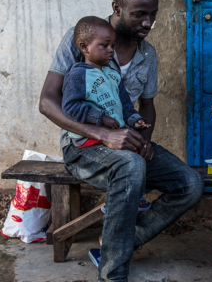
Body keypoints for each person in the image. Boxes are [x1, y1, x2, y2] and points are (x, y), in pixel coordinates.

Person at [39, 0, 204, 282]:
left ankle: (117, 244)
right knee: (129, 165)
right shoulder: (84, 38)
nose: (148, 22)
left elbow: (146, 107)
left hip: (128, 147)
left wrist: (144, 140)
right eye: (139, 14)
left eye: (153, 14)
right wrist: (104, 134)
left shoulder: (148, 55)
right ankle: (113, 274)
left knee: (190, 184)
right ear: (117, 7)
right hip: (83, 147)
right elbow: (48, 103)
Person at [61, 16, 152, 215]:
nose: (111, 50)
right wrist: (100, 118)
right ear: (85, 47)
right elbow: (69, 107)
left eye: (112, 45)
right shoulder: (78, 74)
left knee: (137, 151)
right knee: (128, 161)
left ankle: (128, 198)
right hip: (89, 140)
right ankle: (117, 203)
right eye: (105, 46)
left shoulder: (113, 75)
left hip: (113, 137)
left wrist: (136, 121)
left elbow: (126, 107)